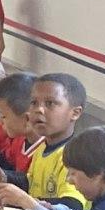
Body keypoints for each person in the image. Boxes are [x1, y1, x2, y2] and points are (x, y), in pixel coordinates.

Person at [16, 73, 87, 202]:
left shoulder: (76, 157)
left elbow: (72, 204)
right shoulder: (43, 146)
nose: (39, 109)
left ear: (75, 113)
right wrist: (4, 177)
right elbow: (31, 183)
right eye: (34, 103)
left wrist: (22, 201)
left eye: (50, 103)